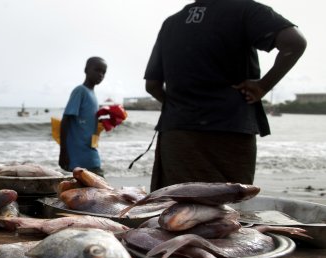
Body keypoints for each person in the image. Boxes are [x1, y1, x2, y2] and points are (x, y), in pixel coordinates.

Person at [144, 0, 306, 191]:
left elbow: (152, 85)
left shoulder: (171, 23)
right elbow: (294, 43)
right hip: (230, 131)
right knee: (228, 208)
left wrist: (177, 106)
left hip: (179, 134)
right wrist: (263, 85)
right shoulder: (245, 10)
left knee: (175, 208)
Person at [59, 56, 107, 177]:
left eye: (103, 72)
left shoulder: (93, 94)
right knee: (97, 188)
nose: (100, 74)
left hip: (90, 152)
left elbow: (86, 121)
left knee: (95, 191)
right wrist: (63, 152)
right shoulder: (80, 91)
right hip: (79, 156)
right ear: (86, 70)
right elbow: (66, 121)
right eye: (97, 70)